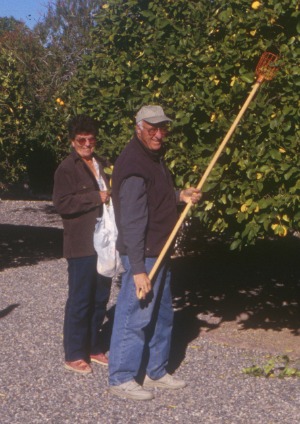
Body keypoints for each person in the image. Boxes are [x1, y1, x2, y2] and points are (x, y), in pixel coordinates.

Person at [109, 105, 201, 400]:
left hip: (159, 249)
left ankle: (156, 372)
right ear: (139, 128)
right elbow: (133, 220)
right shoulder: (135, 164)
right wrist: (137, 269)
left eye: (162, 129)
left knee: (162, 315)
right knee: (134, 314)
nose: (159, 134)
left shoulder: (153, 158)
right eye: (152, 129)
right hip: (144, 253)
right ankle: (121, 377)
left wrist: (179, 196)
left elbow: (156, 198)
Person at [53, 115, 111, 374]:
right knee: (80, 299)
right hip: (80, 244)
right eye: (81, 140)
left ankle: (93, 346)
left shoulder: (103, 164)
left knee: (100, 296)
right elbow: (62, 204)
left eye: (91, 139)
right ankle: (74, 352)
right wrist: (93, 197)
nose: (87, 144)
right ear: (72, 141)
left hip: (105, 242)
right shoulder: (66, 168)